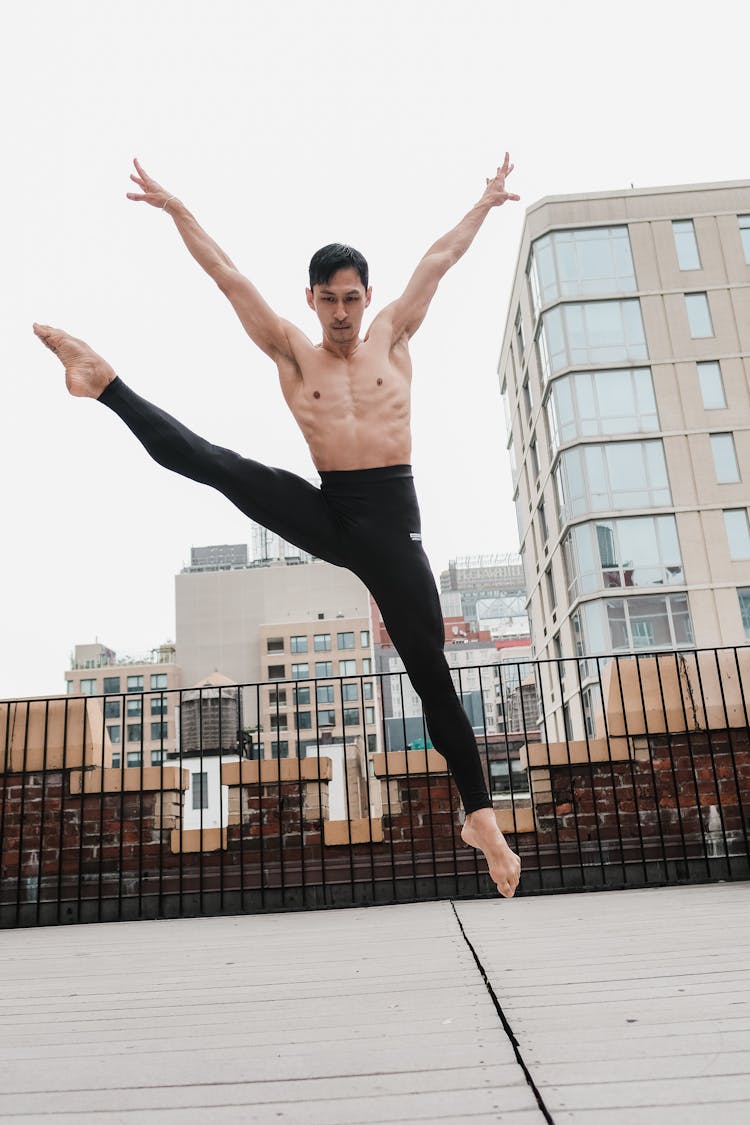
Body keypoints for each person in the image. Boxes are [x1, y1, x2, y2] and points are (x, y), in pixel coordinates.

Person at [33, 153, 522, 897]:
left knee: (430, 665)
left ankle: (481, 816)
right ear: (312, 298)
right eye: (328, 301)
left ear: (369, 296)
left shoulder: (394, 334)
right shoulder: (293, 351)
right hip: (331, 507)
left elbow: (442, 256)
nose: (341, 315)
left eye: (352, 299)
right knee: (216, 465)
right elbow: (228, 276)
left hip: (392, 519)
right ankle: (102, 382)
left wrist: (487, 200)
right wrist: (176, 210)